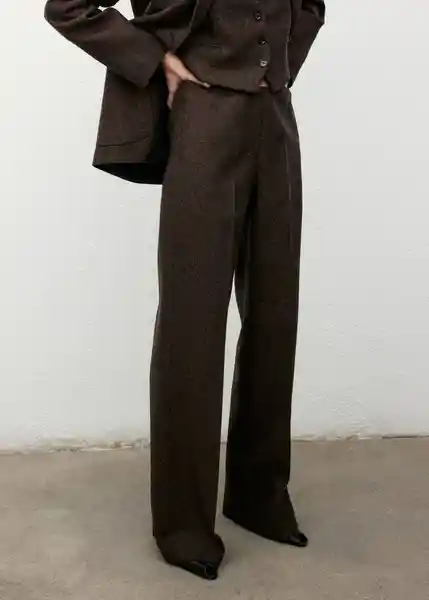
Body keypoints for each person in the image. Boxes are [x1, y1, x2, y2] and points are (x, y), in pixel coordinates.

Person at [44, 0, 325, 581]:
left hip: (276, 117)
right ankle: (182, 523)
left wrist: (277, 66)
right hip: (202, 114)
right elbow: (66, 7)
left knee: (275, 314)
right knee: (191, 324)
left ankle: (258, 493)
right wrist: (156, 61)